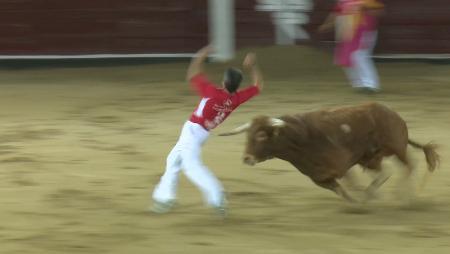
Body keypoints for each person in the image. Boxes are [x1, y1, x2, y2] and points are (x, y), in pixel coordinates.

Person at [151, 45, 263, 216]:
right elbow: (258, 86)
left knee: (191, 166)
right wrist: (252, 66)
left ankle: (218, 199)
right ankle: (165, 198)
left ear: (224, 82)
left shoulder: (211, 93)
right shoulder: (236, 99)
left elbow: (192, 74)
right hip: (202, 134)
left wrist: (201, 54)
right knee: (173, 160)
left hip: (193, 131)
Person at [319, 0, 384, 93]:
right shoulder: (343, 1)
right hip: (348, 32)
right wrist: (327, 24)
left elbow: (379, 12)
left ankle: (370, 84)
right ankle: (358, 84)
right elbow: (336, 13)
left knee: (359, 56)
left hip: (364, 32)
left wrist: (364, 10)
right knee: (347, 59)